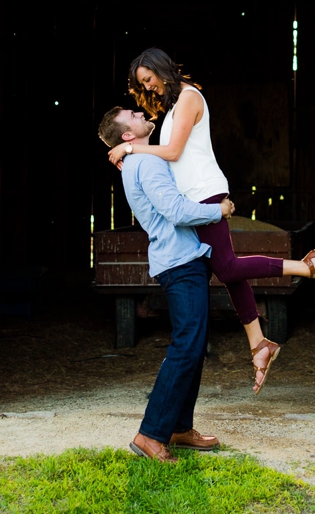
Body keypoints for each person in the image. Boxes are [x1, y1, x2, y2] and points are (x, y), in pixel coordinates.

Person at [106, 47, 315, 394]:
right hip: (192, 197)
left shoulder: (190, 98)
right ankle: (258, 343)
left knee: (229, 268)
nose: (149, 89)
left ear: (161, 70)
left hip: (204, 192)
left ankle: (308, 266)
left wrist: (130, 149)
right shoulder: (175, 107)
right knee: (228, 269)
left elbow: (174, 153)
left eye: (149, 80)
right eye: (143, 86)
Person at [97, 106, 233, 463]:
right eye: (133, 115)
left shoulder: (139, 159)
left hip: (183, 258)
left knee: (194, 344)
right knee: (186, 346)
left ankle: (179, 427)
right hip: (180, 261)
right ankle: (150, 434)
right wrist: (217, 211)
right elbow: (176, 210)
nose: (141, 111)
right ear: (128, 135)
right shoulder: (146, 163)